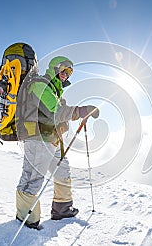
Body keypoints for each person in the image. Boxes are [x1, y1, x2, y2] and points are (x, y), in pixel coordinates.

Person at [15, 56, 99, 229]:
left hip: (52, 140)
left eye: (69, 72)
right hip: (37, 139)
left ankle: (62, 208)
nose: (66, 75)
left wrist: (76, 117)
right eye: (64, 70)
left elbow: (63, 114)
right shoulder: (40, 86)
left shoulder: (56, 91)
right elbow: (56, 110)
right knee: (33, 177)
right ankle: (26, 219)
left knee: (62, 169)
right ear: (54, 68)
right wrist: (81, 111)